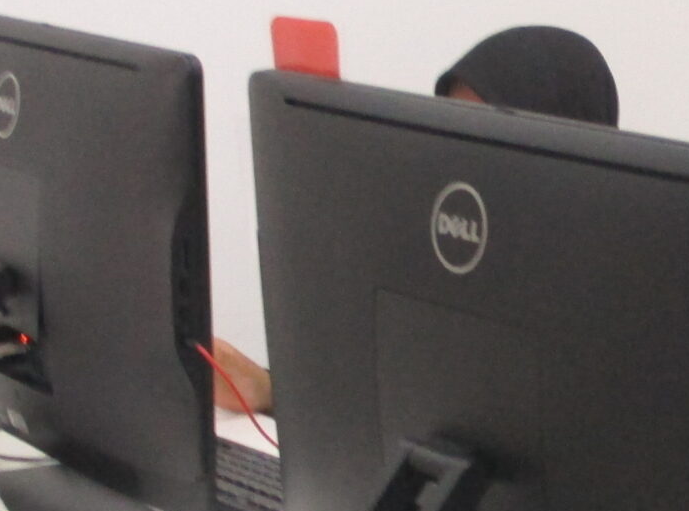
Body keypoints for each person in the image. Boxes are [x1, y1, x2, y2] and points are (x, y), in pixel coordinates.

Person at [211, 26, 620, 415]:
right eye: (453, 129)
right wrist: (265, 391)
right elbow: (386, 413)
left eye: (489, 133)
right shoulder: (445, 269)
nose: (463, 158)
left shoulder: (608, 315)